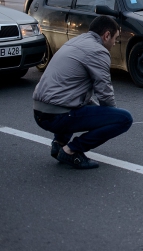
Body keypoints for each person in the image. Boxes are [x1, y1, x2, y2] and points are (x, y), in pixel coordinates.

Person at [33, 16, 132, 169]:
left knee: (77, 105)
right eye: (115, 38)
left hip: (40, 112)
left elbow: (78, 94)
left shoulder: (76, 41)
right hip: (57, 115)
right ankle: (72, 150)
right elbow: (105, 94)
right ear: (106, 35)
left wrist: (98, 113)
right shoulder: (98, 51)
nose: (114, 43)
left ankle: (59, 144)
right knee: (124, 119)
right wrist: (111, 116)